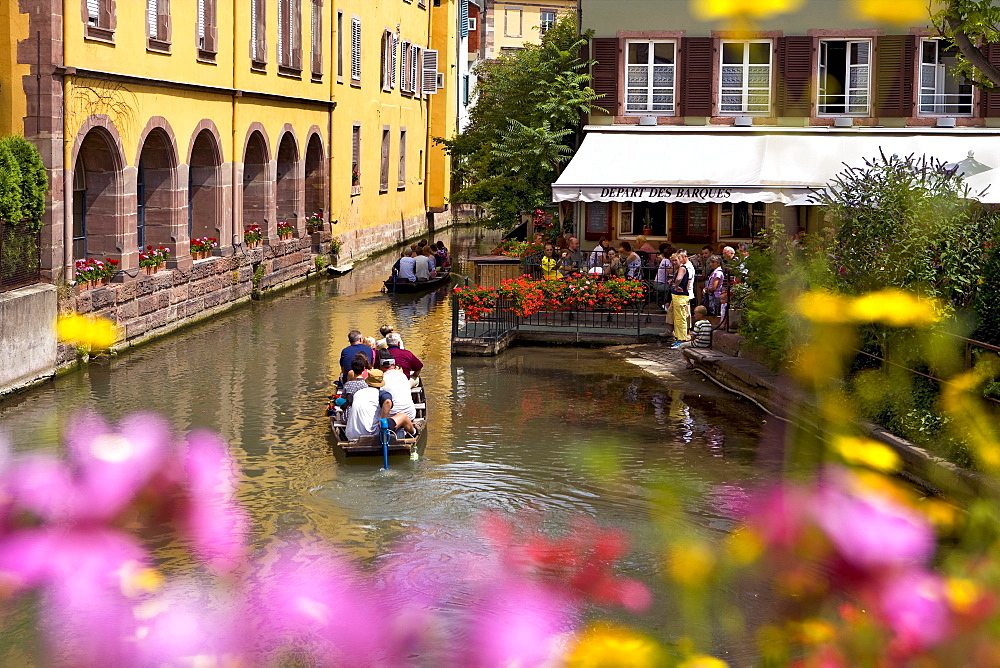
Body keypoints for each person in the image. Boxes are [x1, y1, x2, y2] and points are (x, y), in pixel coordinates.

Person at [345, 369, 415, 440]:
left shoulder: (358, 393)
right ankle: (414, 432)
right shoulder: (381, 393)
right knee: (403, 416)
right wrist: (383, 421)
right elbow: (387, 402)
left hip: (350, 435)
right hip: (372, 434)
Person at [377, 351, 417, 420]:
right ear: (394, 364)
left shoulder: (381, 380)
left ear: (380, 366)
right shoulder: (403, 375)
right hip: (410, 415)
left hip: (391, 417)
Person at [668, 253, 692, 344]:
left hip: (680, 296)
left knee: (680, 318)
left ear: (680, 260)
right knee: (677, 318)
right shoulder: (678, 269)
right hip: (677, 296)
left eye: (675, 260)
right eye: (672, 261)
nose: (674, 262)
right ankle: (678, 337)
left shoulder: (682, 268)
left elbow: (679, 279)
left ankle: (681, 339)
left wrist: (676, 285)